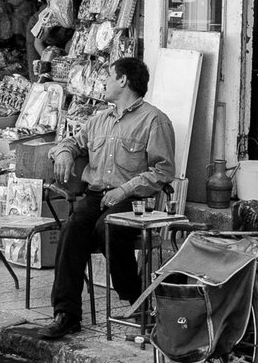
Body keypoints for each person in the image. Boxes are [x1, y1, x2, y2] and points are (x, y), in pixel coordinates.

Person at [42, 58, 176, 339]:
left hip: (133, 199)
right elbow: (70, 142)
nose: (104, 83)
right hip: (95, 195)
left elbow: (163, 171)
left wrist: (125, 189)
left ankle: (135, 297)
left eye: (109, 77)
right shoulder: (98, 119)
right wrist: (64, 152)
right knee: (72, 229)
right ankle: (66, 314)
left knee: (109, 228)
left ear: (124, 80)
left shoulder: (154, 120)